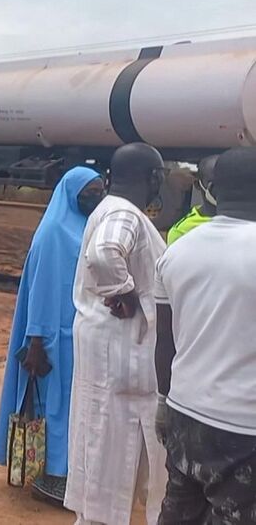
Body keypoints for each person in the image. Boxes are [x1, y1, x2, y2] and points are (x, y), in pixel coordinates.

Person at [65, 142, 169, 525]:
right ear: (154, 178)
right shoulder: (123, 213)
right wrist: (122, 291)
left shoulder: (111, 209)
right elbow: (105, 252)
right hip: (122, 367)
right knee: (112, 466)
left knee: (104, 465)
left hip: (112, 366)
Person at [154, 146, 256, 523]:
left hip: (184, 414)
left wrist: (164, 402)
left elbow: (165, 342)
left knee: (180, 514)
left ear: (212, 189)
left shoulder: (177, 250)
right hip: (244, 428)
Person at [0, 166, 104, 504]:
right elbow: (39, 291)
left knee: (71, 406)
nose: (97, 197)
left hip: (77, 334)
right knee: (52, 406)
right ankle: (51, 479)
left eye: (100, 190)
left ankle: (66, 473)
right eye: (91, 191)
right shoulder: (53, 232)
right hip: (51, 338)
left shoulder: (87, 228)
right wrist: (36, 342)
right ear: (72, 193)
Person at [166, 154, 218, 244]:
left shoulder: (245, 217)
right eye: (213, 183)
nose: (219, 188)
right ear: (197, 184)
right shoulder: (182, 231)